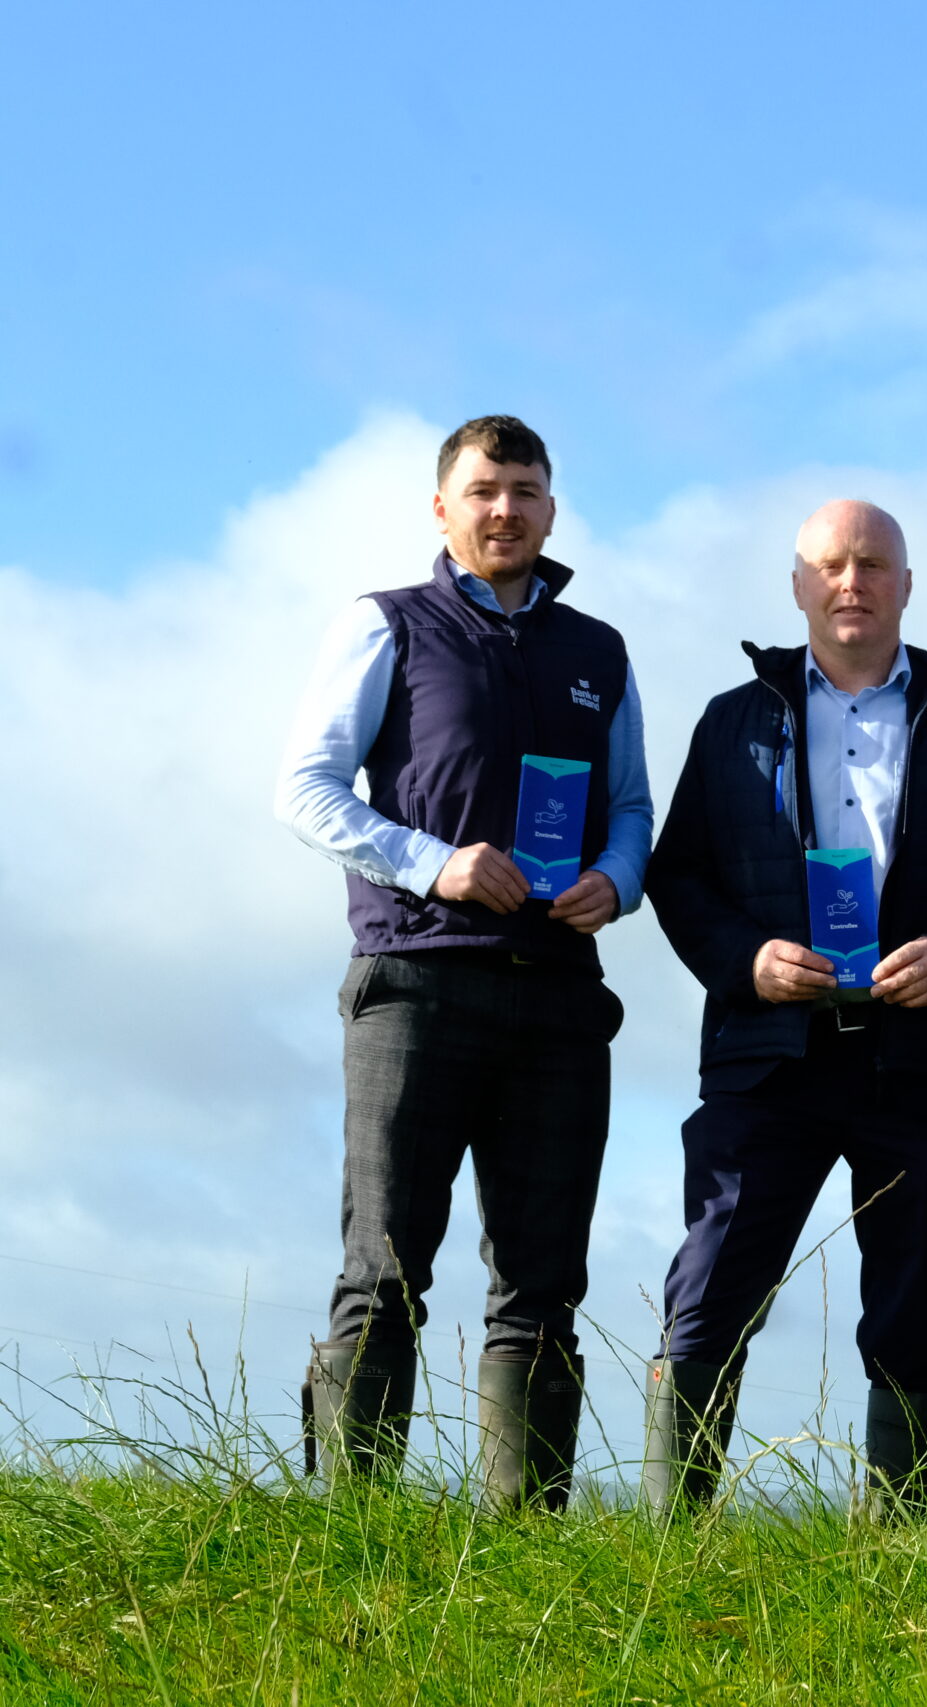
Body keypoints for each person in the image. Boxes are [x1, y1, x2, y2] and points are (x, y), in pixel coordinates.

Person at [644, 500, 927, 1519]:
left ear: (906, 587)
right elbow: (680, 876)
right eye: (830, 565)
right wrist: (748, 961)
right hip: (769, 1058)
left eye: (873, 565)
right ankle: (665, 1547)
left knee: (913, 1310)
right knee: (708, 1294)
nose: (852, 583)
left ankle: (891, 1556)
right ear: (797, 585)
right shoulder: (731, 720)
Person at [274, 416, 652, 1509]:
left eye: (526, 491)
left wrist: (616, 883)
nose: (505, 510)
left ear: (550, 509)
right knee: (383, 1275)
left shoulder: (599, 651)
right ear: (441, 507)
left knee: (543, 1288)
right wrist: (433, 864)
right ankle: (356, 1528)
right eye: (484, 489)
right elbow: (306, 788)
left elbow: (629, 807)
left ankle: (525, 1547)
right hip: (415, 984)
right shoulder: (385, 624)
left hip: (560, 999)